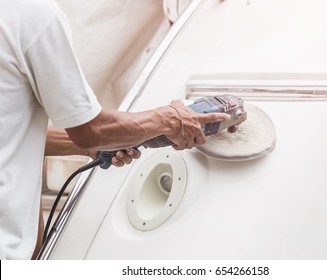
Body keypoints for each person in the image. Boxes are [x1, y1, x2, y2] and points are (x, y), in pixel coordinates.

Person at [0, 0, 230, 259]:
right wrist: (169, 120)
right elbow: (91, 129)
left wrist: (88, 145)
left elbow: (11, 133)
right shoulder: (33, 16)